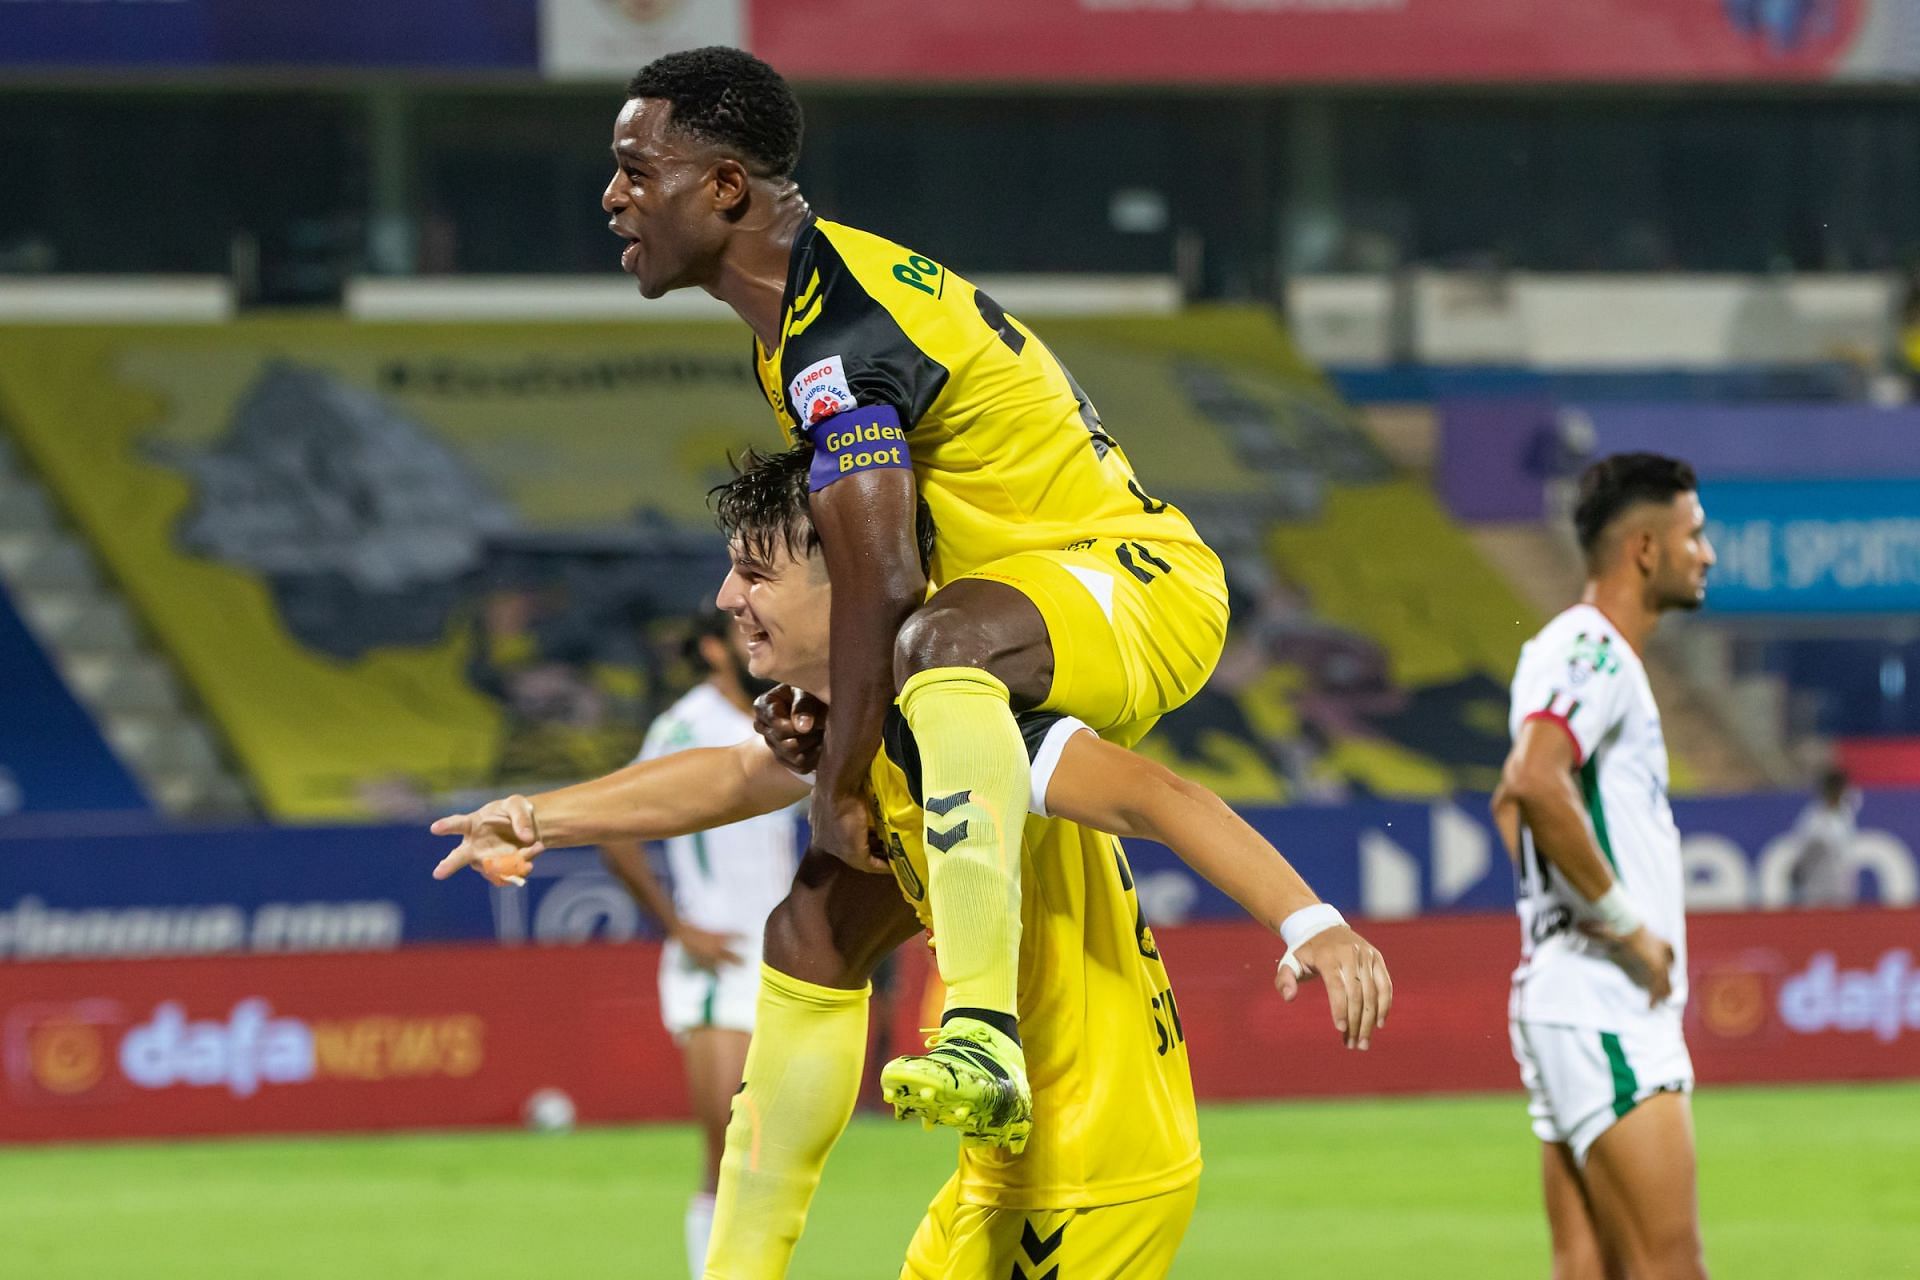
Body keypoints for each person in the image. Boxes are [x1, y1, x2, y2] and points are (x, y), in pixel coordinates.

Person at [431, 445, 1389, 1279]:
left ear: (846, 585)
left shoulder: (964, 714)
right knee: (803, 927)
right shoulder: (858, 731)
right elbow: (728, 777)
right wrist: (532, 820)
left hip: (1092, 1173)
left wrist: (1316, 926)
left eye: (754, 576)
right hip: (1001, 1177)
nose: (728, 601)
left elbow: (1156, 796)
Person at [601, 46, 1231, 1149]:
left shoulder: (837, 330)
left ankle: (978, 1025)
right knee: (808, 924)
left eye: (635, 170)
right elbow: (881, 566)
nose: (613, 196)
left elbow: (882, 577)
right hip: (1016, 616)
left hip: (1130, 589)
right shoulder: (806, 320)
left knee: (931, 656)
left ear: (726, 187)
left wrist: (843, 774)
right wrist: (826, 705)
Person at [1491, 453, 1715, 1280]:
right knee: (1669, 1266)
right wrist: (1625, 927)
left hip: (1569, 995)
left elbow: (1510, 801)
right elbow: (1531, 783)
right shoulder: (1595, 651)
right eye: (1696, 534)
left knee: (1588, 1267)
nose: (1709, 553)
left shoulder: (1566, 653)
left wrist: (1553, 913)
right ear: (1647, 548)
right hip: (1606, 1003)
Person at [597, 611, 798, 1278]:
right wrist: (680, 928)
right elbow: (616, 831)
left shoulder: (778, 716)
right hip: (720, 964)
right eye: (746, 634)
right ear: (714, 649)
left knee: (771, 1157)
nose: (760, 643)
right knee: (728, 1151)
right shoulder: (686, 727)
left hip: (778, 962)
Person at [1786, 767, 1860, 908]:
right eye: (1839, 789)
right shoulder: (1814, 818)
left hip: (1842, 889)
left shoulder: (1845, 814)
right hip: (1817, 889)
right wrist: (1798, 870)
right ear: (1830, 790)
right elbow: (1805, 850)